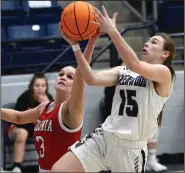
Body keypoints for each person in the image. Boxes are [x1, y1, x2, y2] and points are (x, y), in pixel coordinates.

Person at [51, 6, 175, 173]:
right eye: (148, 40)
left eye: (154, 42)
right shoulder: (124, 70)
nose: (147, 43)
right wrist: (77, 46)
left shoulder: (164, 74)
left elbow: (135, 64)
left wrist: (112, 31)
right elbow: (91, 78)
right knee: (59, 170)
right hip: (104, 137)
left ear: (165, 54)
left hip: (130, 149)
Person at [1, 24, 101, 172]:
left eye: (69, 77)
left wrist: (90, 43)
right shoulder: (44, 107)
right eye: (61, 74)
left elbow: (81, 74)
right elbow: (18, 117)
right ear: (54, 80)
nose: (63, 77)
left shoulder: (70, 109)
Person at [6, 72, 53, 172]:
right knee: (23, 133)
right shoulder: (25, 97)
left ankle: (50, 164)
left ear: (46, 87)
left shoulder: (48, 99)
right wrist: (36, 120)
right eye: (37, 85)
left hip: (35, 129)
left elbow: (54, 121)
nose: (40, 88)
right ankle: (17, 166)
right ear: (32, 87)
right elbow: (19, 121)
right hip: (17, 128)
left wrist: (47, 104)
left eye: (43, 86)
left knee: (53, 133)